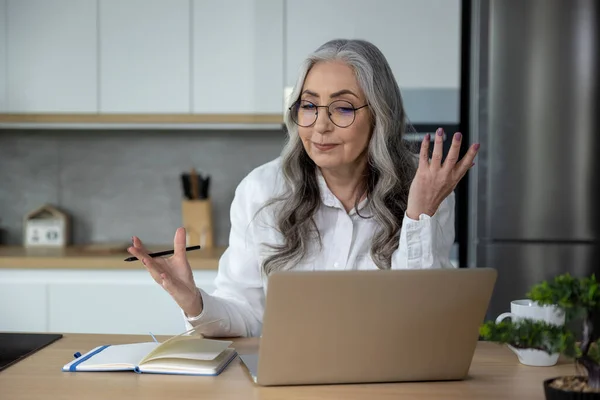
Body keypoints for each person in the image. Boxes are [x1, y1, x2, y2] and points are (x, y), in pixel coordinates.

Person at [127, 39, 479, 338]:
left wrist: (419, 214)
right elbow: (246, 315)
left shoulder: (424, 190)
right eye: (309, 106)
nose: (320, 126)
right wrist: (194, 302)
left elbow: (419, 323)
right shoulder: (262, 190)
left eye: (342, 108)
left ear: (380, 116)